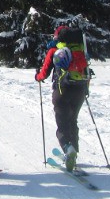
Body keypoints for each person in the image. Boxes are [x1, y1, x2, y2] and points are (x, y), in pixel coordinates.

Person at [35, 24, 90, 171]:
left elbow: (44, 72)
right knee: (73, 120)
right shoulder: (80, 49)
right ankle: (74, 151)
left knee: (62, 123)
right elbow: (86, 70)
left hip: (62, 90)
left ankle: (67, 147)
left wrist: (37, 77)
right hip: (79, 89)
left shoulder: (55, 50)